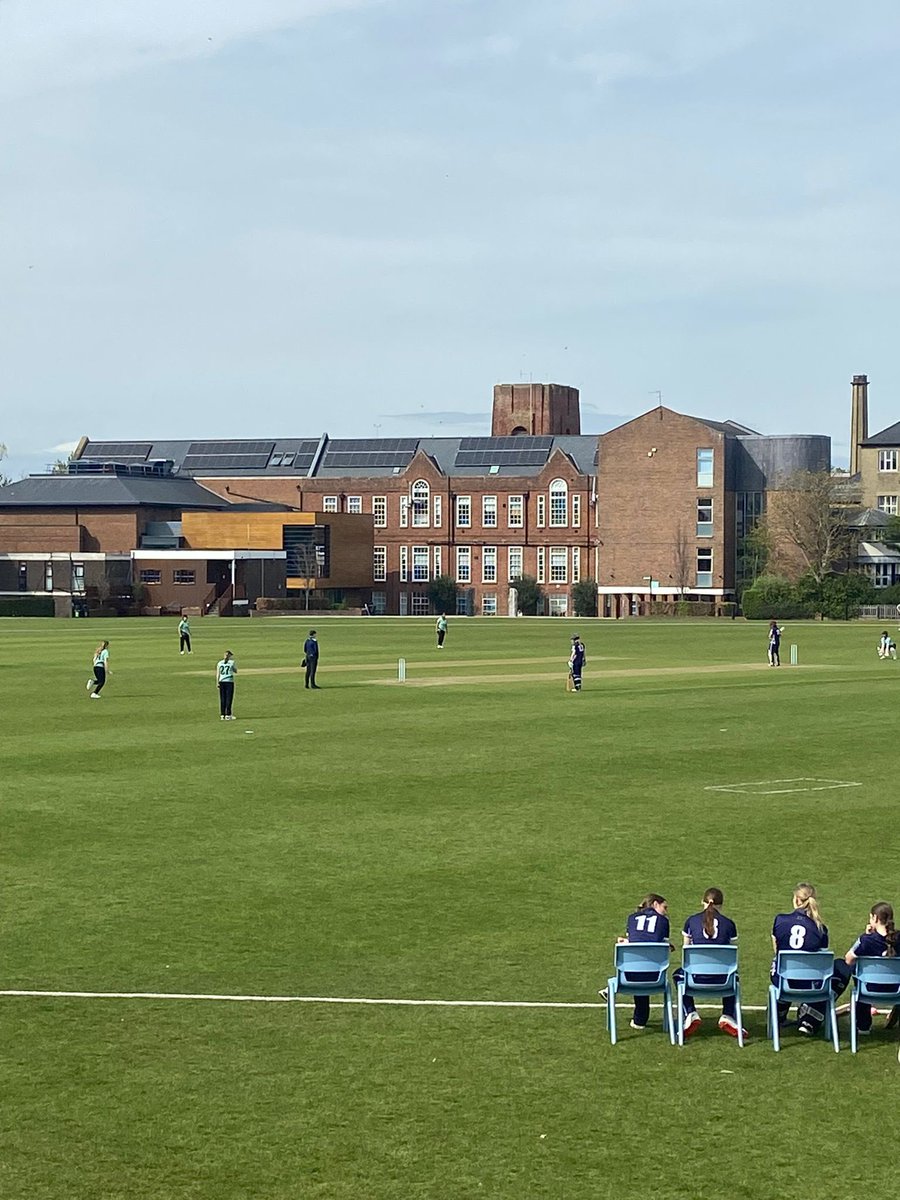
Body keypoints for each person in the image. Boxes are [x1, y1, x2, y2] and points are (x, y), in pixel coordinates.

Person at [677, 887, 747, 1040]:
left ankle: (690, 1012)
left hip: (695, 979)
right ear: (721, 905)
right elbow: (731, 954)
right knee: (734, 976)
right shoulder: (729, 924)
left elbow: (685, 952)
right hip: (723, 980)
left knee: (678, 974)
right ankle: (728, 1014)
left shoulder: (691, 921)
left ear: (702, 902)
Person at [771, 882, 830, 1035]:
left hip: (783, 979)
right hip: (809, 982)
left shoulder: (780, 920)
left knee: (779, 966)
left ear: (797, 900)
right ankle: (811, 1016)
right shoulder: (821, 929)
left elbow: (776, 950)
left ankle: (779, 1014)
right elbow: (821, 958)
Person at [833, 902, 900, 1035]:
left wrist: (866, 936)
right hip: (896, 990)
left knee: (858, 973)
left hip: (869, 989)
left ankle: (863, 1025)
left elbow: (848, 959)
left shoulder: (867, 941)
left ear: (875, 918)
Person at [617, 893, 672, 1030]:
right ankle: (640, 1019)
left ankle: (640, 1019)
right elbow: (662, 948)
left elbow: (637, 944)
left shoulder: (631, 918)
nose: (666, 911)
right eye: (664, 907)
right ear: (655, 904)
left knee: (638, 963)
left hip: (630, 976)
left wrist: (627, 942)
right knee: (647, 963)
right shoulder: (663, 921)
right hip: (656, 976)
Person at [216, 650, 236, 720]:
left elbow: (218, 674)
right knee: (229, 698)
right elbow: (235, 671)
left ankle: (222, 714)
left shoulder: (219, 663)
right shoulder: (231, 662)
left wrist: (217, 682)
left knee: (222, 698)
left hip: (221, 681)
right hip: (229, 681)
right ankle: (228, 714)